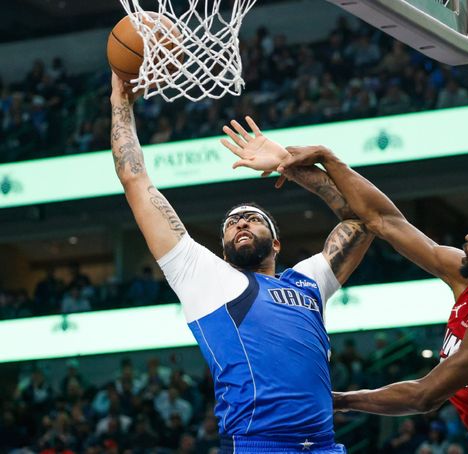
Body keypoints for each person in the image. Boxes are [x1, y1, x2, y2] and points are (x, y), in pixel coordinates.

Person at [224, 137, 468, 453]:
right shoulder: (466, 275)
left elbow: (424, 396)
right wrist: (321, 160)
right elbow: (383, 220)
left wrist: (337, 400)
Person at [109, 73, 374, 453]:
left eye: (252, 219)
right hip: (257, 445)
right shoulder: (205, 277)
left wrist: (291, 167)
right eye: (231, 223)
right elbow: (136, 181)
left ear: (277, 243)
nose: (240, 223)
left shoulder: (307, 280)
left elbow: (362, 221)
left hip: (324, 446)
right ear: (222, 250)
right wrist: (120, 103)